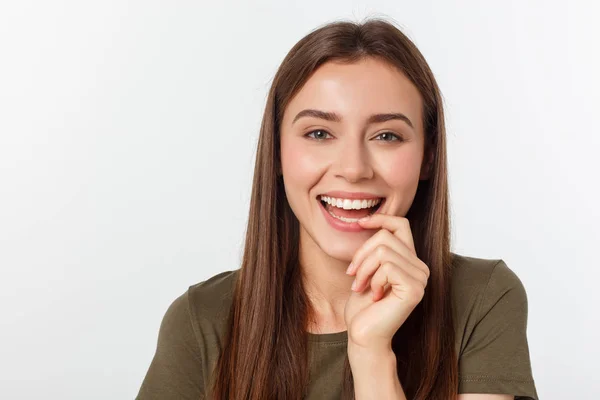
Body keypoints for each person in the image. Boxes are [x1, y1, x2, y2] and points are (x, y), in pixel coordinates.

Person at [137, 18, 538, 400]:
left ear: (428, 157)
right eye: (319, 133)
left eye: (386, 135)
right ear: (277, 152)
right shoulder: (202, 321)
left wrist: (370, 354)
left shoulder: (482, 298)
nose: (353, 169)